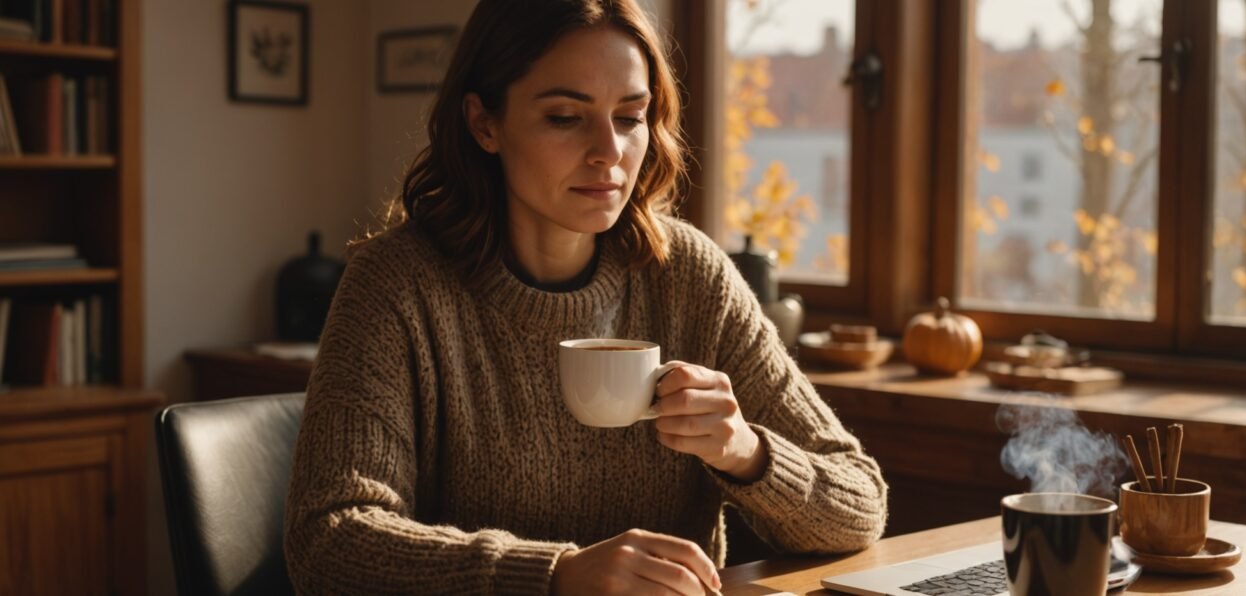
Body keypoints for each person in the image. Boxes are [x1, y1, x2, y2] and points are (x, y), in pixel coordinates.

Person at [283, 0, 888, 594]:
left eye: (630, 117)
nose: (610, 152)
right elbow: (330, 540)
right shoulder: (396, 285)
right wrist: (554, 576)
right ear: (483, 123)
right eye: (566, 118)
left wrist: (746, 451)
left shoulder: (690, 277)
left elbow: (861, 505)